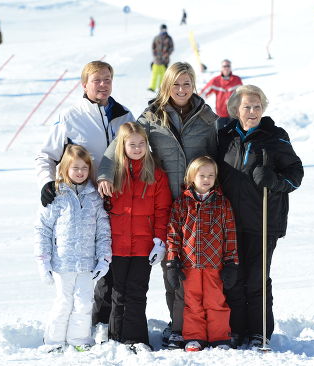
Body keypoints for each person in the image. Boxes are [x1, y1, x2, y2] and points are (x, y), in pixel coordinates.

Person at [97, 62, 218, 350]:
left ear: (194, 85)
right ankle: (177, 328)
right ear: (166, 85)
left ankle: (193, 327)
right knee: (170, 268)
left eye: (187, 83)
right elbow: (121, 146)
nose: (181, 89)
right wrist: (104, 175)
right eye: (176, 84)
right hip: (163, 204)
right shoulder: (151, 117)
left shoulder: (207, 118)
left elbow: (217, 158)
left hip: (196, 205)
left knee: (197, 269)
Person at [35, 60, 134, 338]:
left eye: (107, 79)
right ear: (85, 85)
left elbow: (137, 150)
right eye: (97, 80)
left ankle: (111, 322)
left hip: (121, 200)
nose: (103, 85)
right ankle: (86, 323)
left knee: (115, 261)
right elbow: (46, 155)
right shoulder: (70, 117)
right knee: (90, 266)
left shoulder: (124, 115)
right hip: (86, 202)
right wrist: (46, 183)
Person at [216, 85, 304, 350]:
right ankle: (236, 329)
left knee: (256, 278)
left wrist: (274, 180)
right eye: (246, 107)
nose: (252, 111)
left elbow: (296, 174)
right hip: (229, 223)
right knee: (233, 277)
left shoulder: (275, 137)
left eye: (256, 106)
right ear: (236, 109)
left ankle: (259, 331)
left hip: (263, 221)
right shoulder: (225, 136)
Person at [34, 144, 112, 353]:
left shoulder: (94, 197)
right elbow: (43, 230)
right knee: (63, 302)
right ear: (65, 169)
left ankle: (79, 339)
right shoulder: (56, 195)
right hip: (62, 263)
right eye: (75, 168)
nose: (80, 172)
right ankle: (53, 341)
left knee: (84, 303)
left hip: (86, 263)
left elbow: (103, 232)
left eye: (84, 168)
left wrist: (104, 258)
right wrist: (43, 260)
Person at [105, 122, 172, 352]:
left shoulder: (156, 175)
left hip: (144, 246)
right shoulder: (112, 175)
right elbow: (102, 211)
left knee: (136, 291)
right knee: (118, 292)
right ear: (122, 146)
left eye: (141, 144)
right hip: (117, 245)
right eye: (131, 144)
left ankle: (136, 339)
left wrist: (159, 241)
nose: (137, 148)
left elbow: (163, 210)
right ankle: (115, 339)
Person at [166, 156, 238, 352]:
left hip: (215, 264)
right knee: (192, 303)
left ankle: (220, 337)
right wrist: (172, 261)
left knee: (216, 302)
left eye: (211, 175)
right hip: (190, 264)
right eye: (202, 175)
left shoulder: (223, 203)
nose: (206, 179)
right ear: (192, 177)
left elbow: (230, 234)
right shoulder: (182, 203)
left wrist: (232, 262)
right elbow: (173, 234)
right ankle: (195, 336)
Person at [148, 24, 174, 92]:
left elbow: (171, 48)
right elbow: (153, 46)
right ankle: (152, 87)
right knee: (154, 75)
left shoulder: (169, 38)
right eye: (162, 29)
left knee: (163, 76)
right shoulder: (157, 37)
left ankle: (161, 89)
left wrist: (167, 54)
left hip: (164, 61)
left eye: (164, 29)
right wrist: (154, 54)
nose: (163, 31)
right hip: (156, 60)